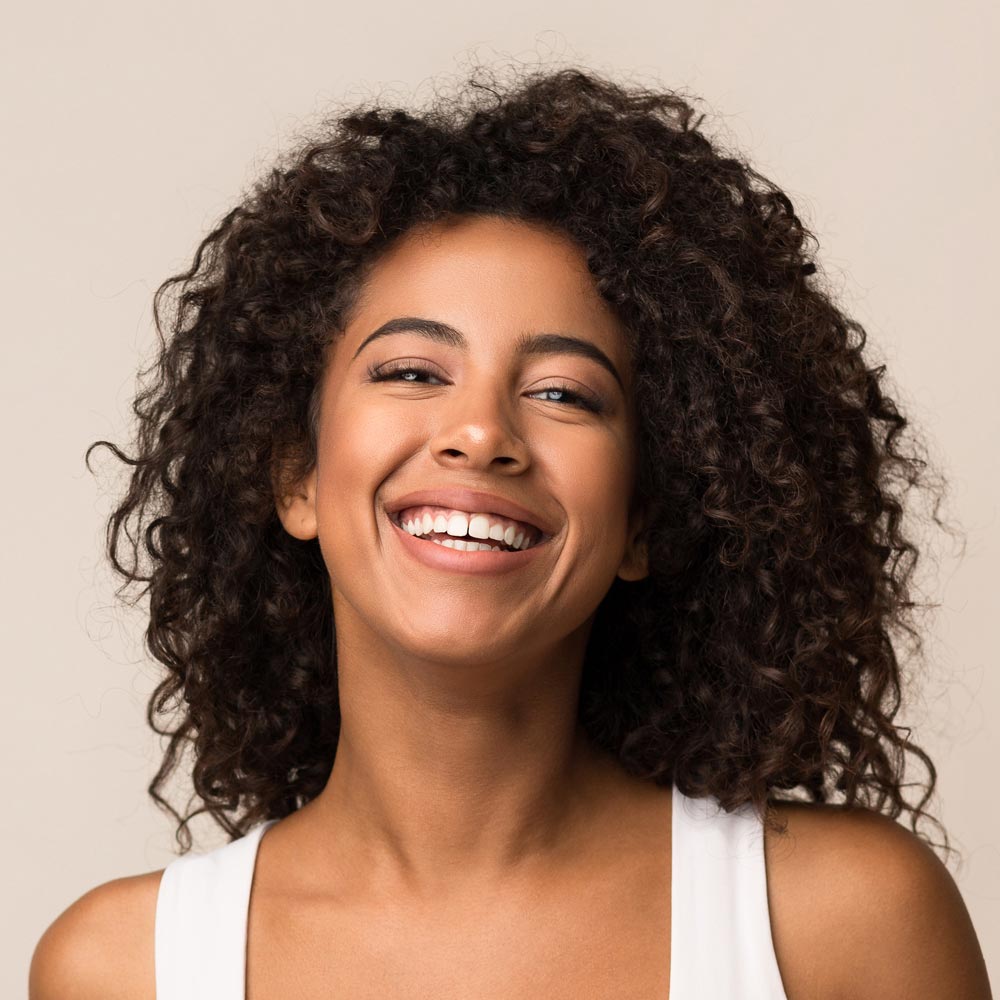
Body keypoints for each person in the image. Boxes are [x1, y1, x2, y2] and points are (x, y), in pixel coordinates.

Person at [30, 65, 992, 998]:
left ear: (642, 523)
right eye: (411, 372)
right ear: (297, 475)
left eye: (564, 392)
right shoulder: (125, 971)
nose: (482, 432)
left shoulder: (842, 928)